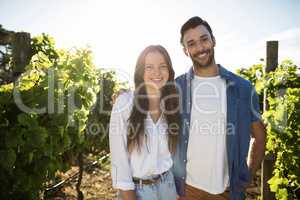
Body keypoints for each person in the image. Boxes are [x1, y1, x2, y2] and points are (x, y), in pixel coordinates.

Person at [172, 16, 266, 200]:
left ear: (213, 40)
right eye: (191, 44)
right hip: (185, 191)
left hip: (226, 191)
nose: (200, 48)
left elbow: (259, 136)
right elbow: (147, 105)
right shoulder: (176, 88)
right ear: (185, 51)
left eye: (204, 39)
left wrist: (246, 176)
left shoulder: (243, 88)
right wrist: (125, 96)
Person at [109, 45, 180, 200]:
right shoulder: (125, 103)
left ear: (169, 71)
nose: (157, 72)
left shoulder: (172, 105)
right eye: (149, 67)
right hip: (138, 191)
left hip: (168, 186)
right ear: (141, 72)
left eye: (163, 66)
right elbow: (118, 160)